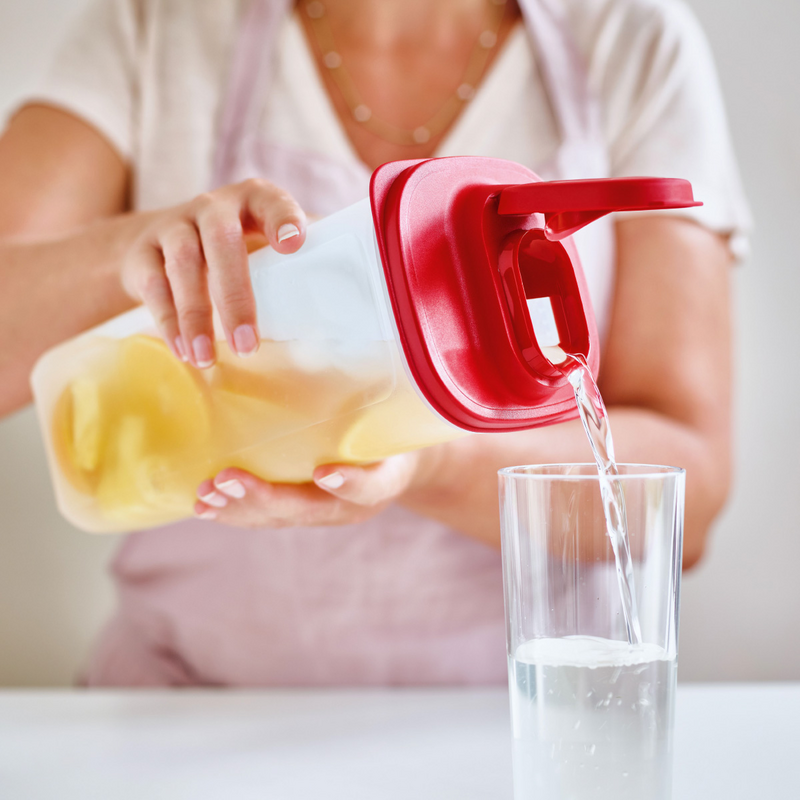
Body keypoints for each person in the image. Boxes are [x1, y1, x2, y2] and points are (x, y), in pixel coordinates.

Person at [0, 0, 749, 686]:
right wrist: (140, 250)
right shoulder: (157, 27)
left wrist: (427, 458)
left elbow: (683, 502)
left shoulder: (629, 43)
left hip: (525, 715)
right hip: (179, 704)